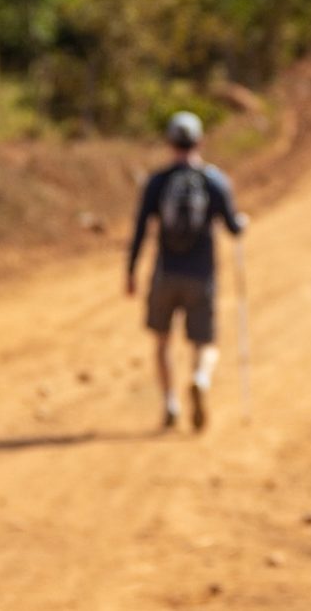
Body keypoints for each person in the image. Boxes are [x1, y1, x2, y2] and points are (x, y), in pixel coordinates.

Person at [127, 111, 246, 432]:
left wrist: (131, 271)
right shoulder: (214, 181)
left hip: (165, 274)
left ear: (169, 143)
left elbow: (140, 229)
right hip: (202, 275)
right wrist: (241, 224)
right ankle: (200, 378)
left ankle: (170, 403)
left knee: (163, 342)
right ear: (200, 142)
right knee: (204, 342)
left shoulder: (158, 182)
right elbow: (233, 228)